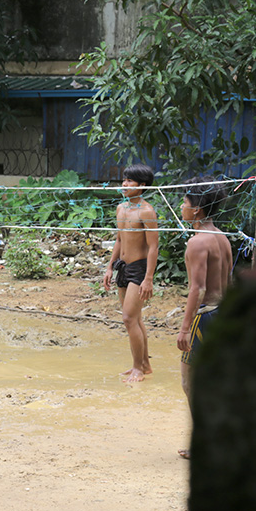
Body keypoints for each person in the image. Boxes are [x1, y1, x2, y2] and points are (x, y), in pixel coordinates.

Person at [176, 177, 232, 459]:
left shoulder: (198, 243)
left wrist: (185, 329)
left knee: (191, 383)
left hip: (206, 317)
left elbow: (196, 289)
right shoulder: (222, 238)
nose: (182, 207)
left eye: (185, 203)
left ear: (197, 209)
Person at [103, 164, 159, 383]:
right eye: (123, 180)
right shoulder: (121, 208)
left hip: (139, 269)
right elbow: (119, 239)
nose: (124, 185)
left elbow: (153, 247)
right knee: (135, 318)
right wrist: (109, 267)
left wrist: (149, 278)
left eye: (129, 182)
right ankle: (144, 365)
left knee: (128, 318)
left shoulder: (147, 211)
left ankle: (137, 368)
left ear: (142, 185)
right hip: (123, 267)